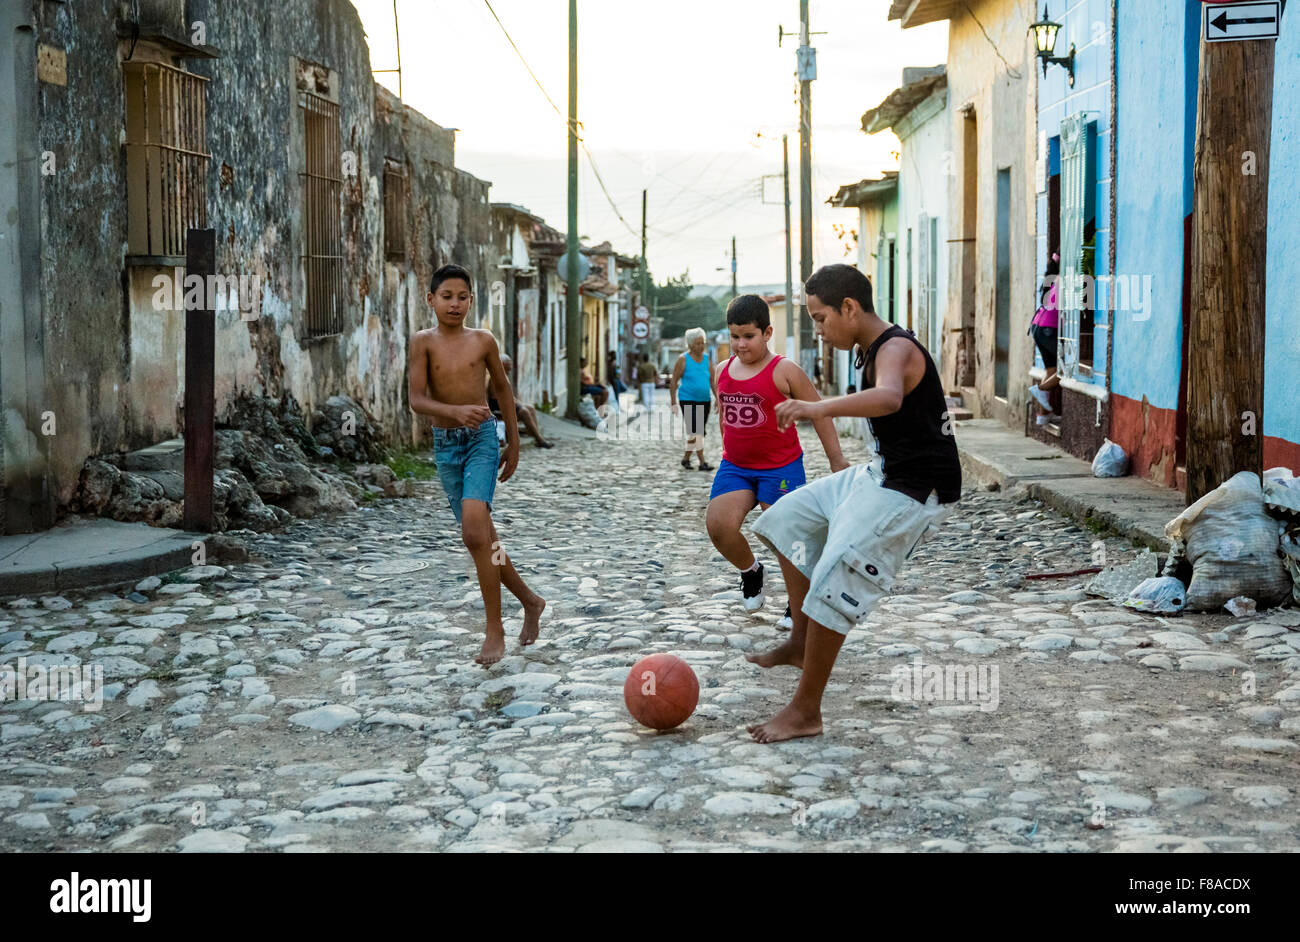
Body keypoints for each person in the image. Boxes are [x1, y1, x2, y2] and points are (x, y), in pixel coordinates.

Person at [744, 264, 961, 743]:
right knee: (783, 522)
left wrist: (817, 407)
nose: (818, 331)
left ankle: (805, 712)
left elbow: (887, 398)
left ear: (849, 307)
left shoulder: (896, 348)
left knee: (832, 576)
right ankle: (802, 641)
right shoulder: (867, 348)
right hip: (878, 474)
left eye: (820, 320)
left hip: (912, 489)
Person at [408, 264, 546, 666]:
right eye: (446, 296)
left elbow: (503, 390)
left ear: (472, 301)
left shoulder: (483, 340)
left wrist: (515, 441)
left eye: (462, 297)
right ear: (431, 300)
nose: (454, 304)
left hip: (482, 439)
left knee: (473, 532)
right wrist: (455, 410)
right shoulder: (422, 342)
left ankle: (493, 629)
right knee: (486, 540)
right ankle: (530, 601)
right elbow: (417, 399)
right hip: (446, 445)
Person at [707, 295, 848, 627]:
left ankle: (798, 603)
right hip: (736, 467)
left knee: (785, 537)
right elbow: (724, 415)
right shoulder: (721, 371)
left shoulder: (785, 370)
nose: (740, 344)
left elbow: (820, 413)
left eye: (749, 336)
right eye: (734, 336)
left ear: (767, 332)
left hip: (780, 468)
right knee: (719, 526)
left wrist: (836, 459)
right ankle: (751, 571)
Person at [670, 328, 716, 471]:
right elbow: (674, 382)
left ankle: (686, 458)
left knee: (697, 432)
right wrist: (673, 402)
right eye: (697, 343)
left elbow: (712, 380)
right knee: (697, 431)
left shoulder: (707, 359)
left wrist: (718, 398)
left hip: (704, 400)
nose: (701, 346)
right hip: (687, 399)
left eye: (702, 343)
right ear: (690, 345)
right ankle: (702, 462)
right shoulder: (683, 359)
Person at [490, 354, 554, 448]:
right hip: (500, 406)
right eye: (508, 367)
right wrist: (514, 404)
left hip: (508, 403)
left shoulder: (504, 376)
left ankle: (536, 435)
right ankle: (539, 439)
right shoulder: (495, 377)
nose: (509, 369)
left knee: (530, 408)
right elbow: (498, 398)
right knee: (524, 412)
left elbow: (508, 395)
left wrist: (516, 402)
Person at [1028, 254, 1061, 427]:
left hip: (1038, 327)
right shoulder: (1064, 278)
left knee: (1051, 370)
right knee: (1066, 370)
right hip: (1048, 329)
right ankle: (1040, 389)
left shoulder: (1054, 278)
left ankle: (1043, 416)